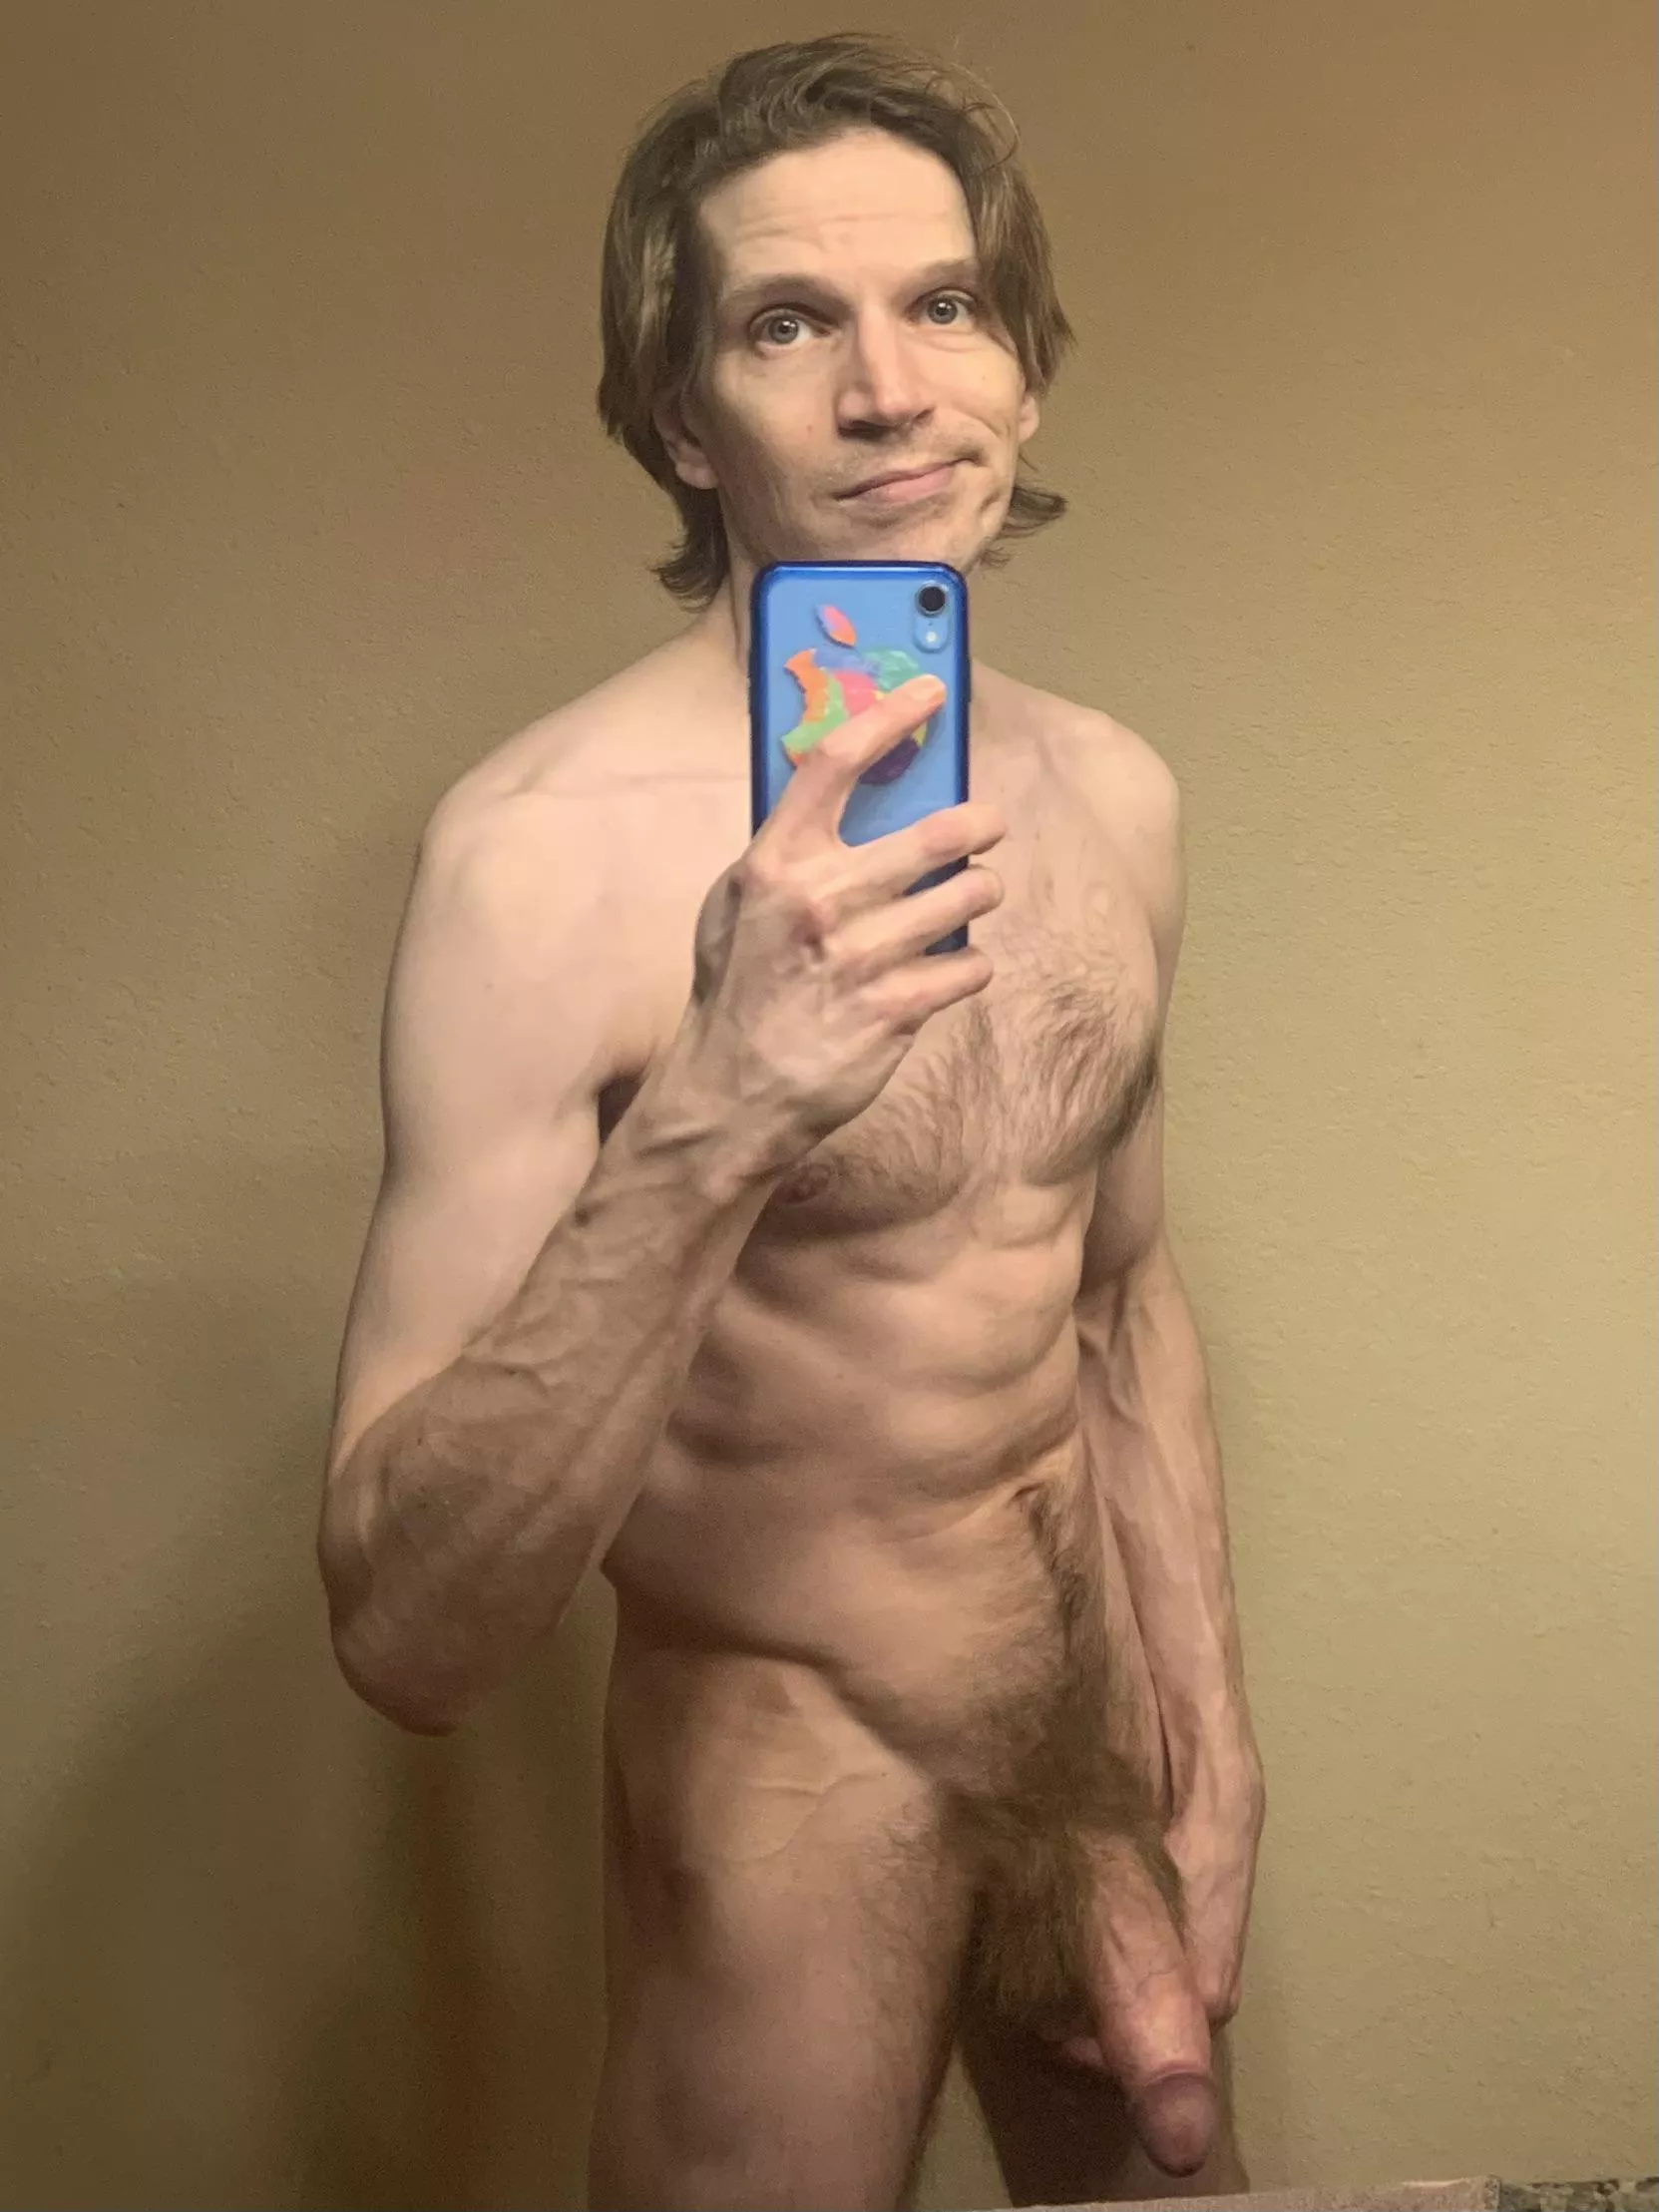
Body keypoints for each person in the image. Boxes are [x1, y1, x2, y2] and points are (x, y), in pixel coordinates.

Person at [317, 32, 1265, 2211]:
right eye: (785, 325)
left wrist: (1216, 1749)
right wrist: (712, 1118)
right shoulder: (539, 863)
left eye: (944, 304)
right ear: (683, 418)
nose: (888, 391)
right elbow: (404, 1634)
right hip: (787, 1792)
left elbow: (1118, 1303)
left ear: (1021, 366)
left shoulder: (1115, 799)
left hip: (1092, 1769)